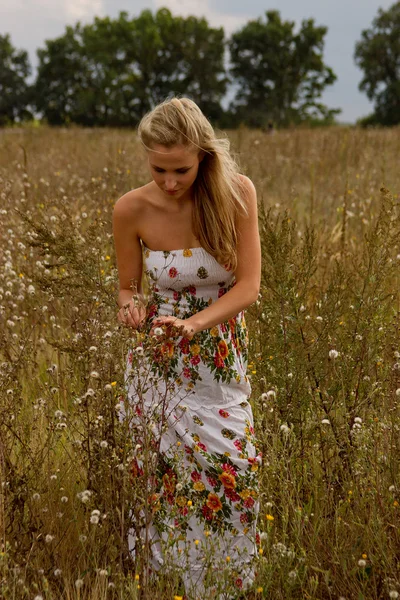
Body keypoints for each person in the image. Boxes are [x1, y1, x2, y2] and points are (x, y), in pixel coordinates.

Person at [112, 97, 262, 599]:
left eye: (181, 169)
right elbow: (128, 288)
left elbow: (248, 288)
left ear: (203, 155)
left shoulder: (236, 194)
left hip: (216, 357)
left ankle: (225, 587)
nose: (171, 182)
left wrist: (195, 325)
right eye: (159, 169)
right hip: (158, 364)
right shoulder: (130, 208)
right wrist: (131, 309)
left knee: (233, 475)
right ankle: (164, 586)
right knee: (161, 486)